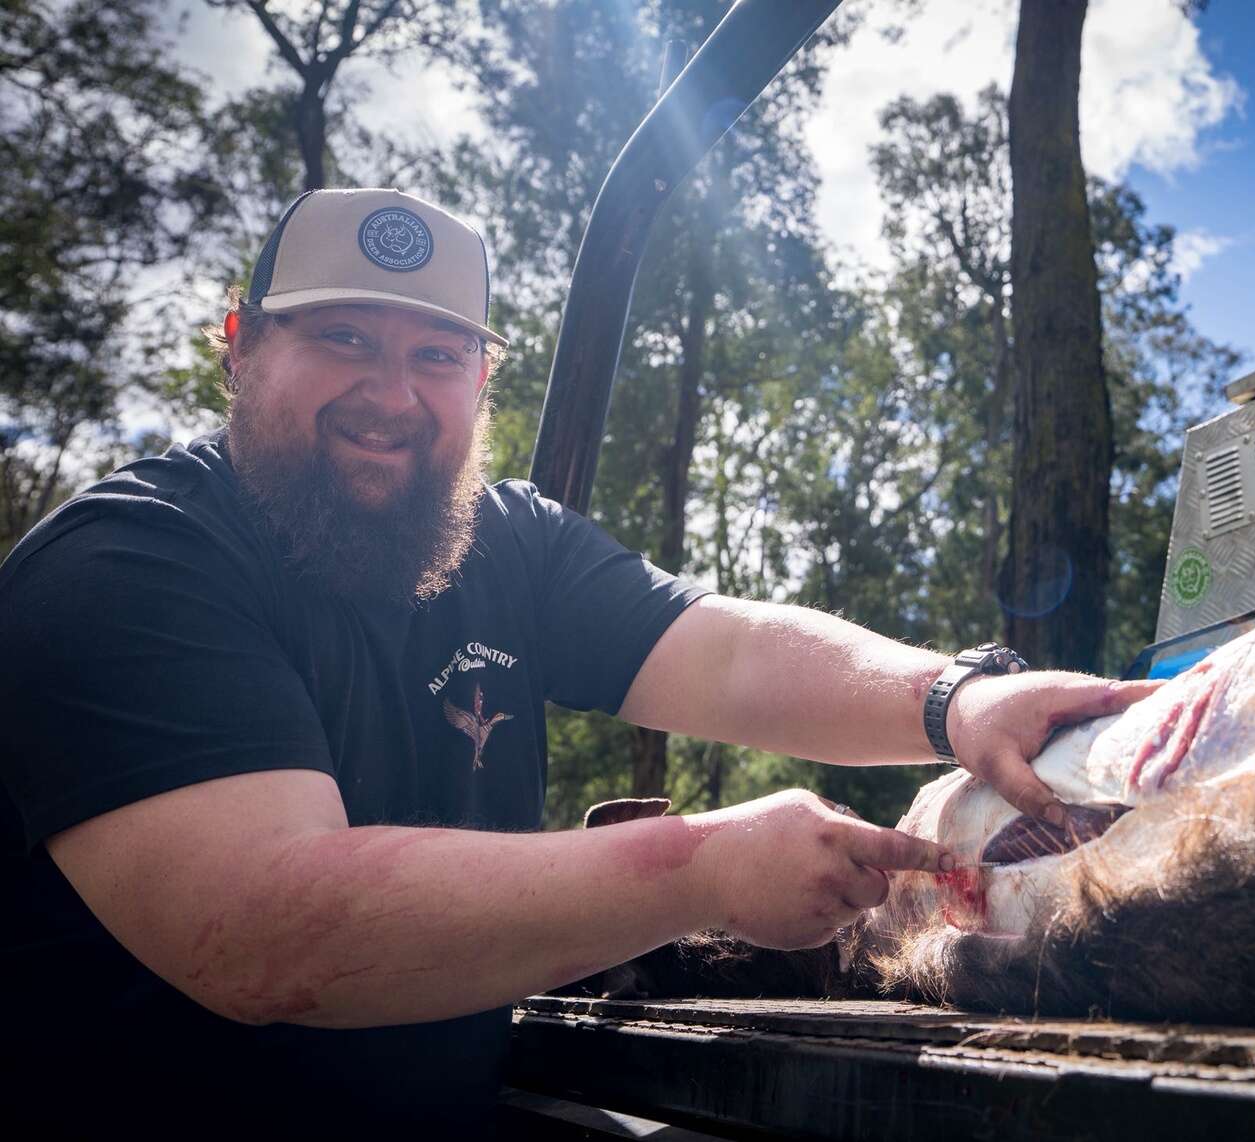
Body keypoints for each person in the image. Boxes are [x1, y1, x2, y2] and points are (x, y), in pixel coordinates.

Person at [0, 189, 1158, 1135]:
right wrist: (698, 867)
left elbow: (732, 651)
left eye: (437, 353)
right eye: (342, 336)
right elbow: (261, 933)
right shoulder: (129, 564)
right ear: (241, 347)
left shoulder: (507, 539)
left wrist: (954, 697)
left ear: (480, 380)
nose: (391, 392)